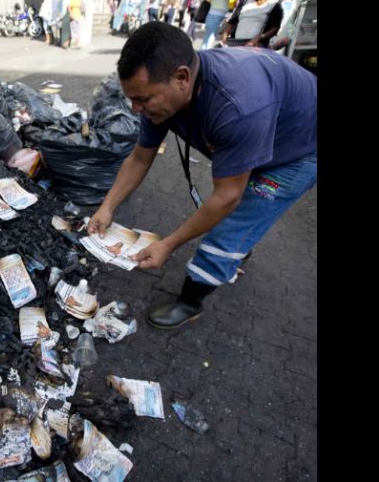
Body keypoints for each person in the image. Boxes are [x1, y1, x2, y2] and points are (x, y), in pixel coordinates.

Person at [87, 22, 316, 329]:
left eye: (143, 99)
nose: (135, 108)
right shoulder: (165, 93)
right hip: (269, 124)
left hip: (301, 150)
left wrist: (168, 244)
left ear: (182, 77)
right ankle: (236, 250)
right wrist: (107, 207)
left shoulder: (238, 107)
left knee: (233, 222)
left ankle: (191, 300)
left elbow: (227, 196)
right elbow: (141, 156)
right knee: (231, 206)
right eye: (132, 99)